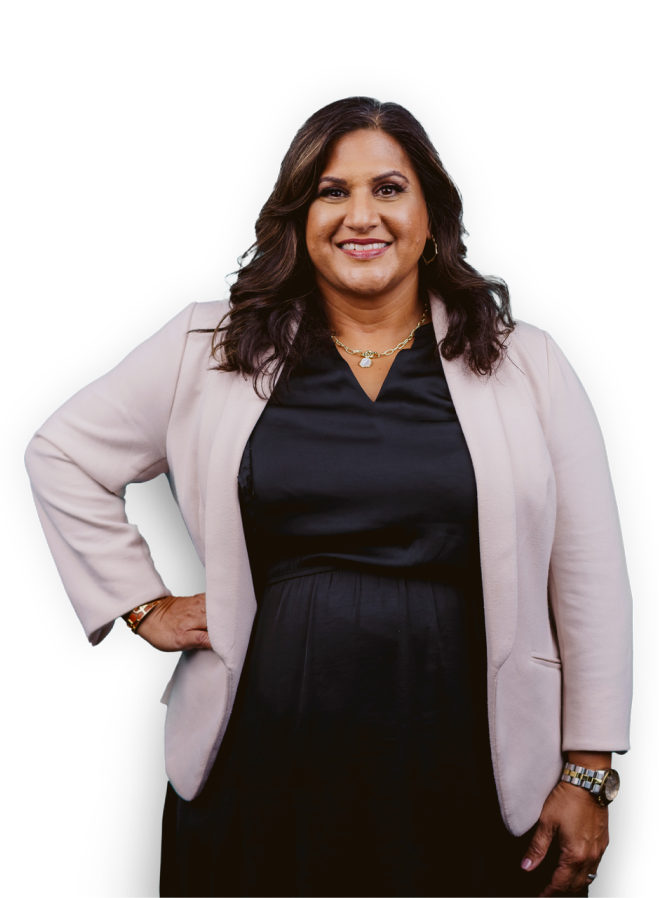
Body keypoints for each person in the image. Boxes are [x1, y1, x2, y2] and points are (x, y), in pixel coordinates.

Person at [24, 96, 632, 897]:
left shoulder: (525, 362)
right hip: (256, 747)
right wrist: (141, 603)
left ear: (430, 214)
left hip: (471, 752)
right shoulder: (210, 344)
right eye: (330, 191)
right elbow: (61, 451)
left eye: (388, 188)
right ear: (298, 214)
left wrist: (588, 769)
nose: (361, 216)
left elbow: (587, 572)